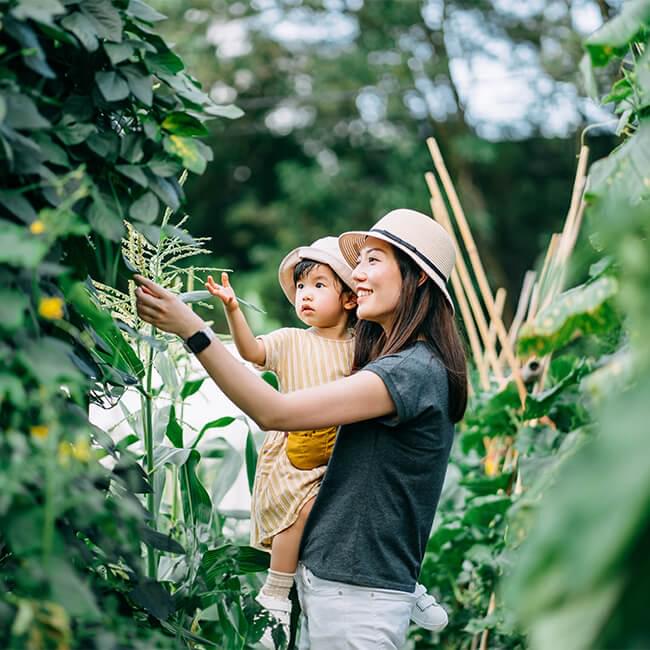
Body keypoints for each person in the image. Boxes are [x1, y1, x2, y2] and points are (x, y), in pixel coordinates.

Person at [134, 208, 468, 649]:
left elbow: (274, 411)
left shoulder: (410, 371)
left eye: (373, 260)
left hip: (358, 602)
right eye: (359, 262)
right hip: (339, 588)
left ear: (418, 277)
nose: (358, 274)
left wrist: (194, 330)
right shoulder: (394, 362)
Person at [205, 237, 357, 647]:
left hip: (343, 455)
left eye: (319, 286)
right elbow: (251, 352)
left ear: (348, 299)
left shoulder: (362, 348)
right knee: (300, 508)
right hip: (294, 455)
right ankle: (275, 591)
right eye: (301, 287)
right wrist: (233, 310)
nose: (305, 295)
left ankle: (403, 582)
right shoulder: (291, 340)